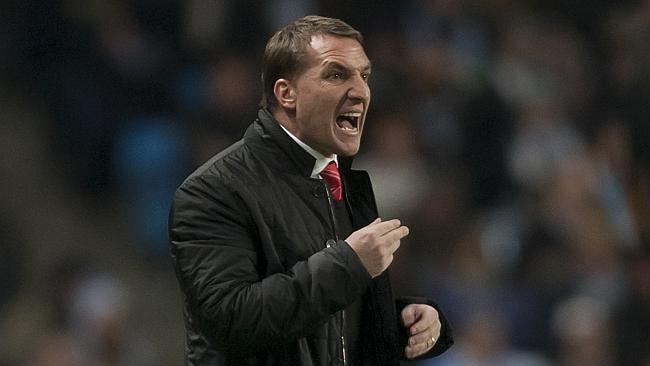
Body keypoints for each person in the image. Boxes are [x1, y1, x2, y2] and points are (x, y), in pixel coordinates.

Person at [169, 15, 453, 365]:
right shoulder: (213, 191)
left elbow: (328, 325)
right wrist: (348, 265)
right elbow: (229, 321)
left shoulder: (341, 181)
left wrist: (407, 321)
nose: (360, 90)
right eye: (336, 75)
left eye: (364, 75)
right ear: (286, 93)